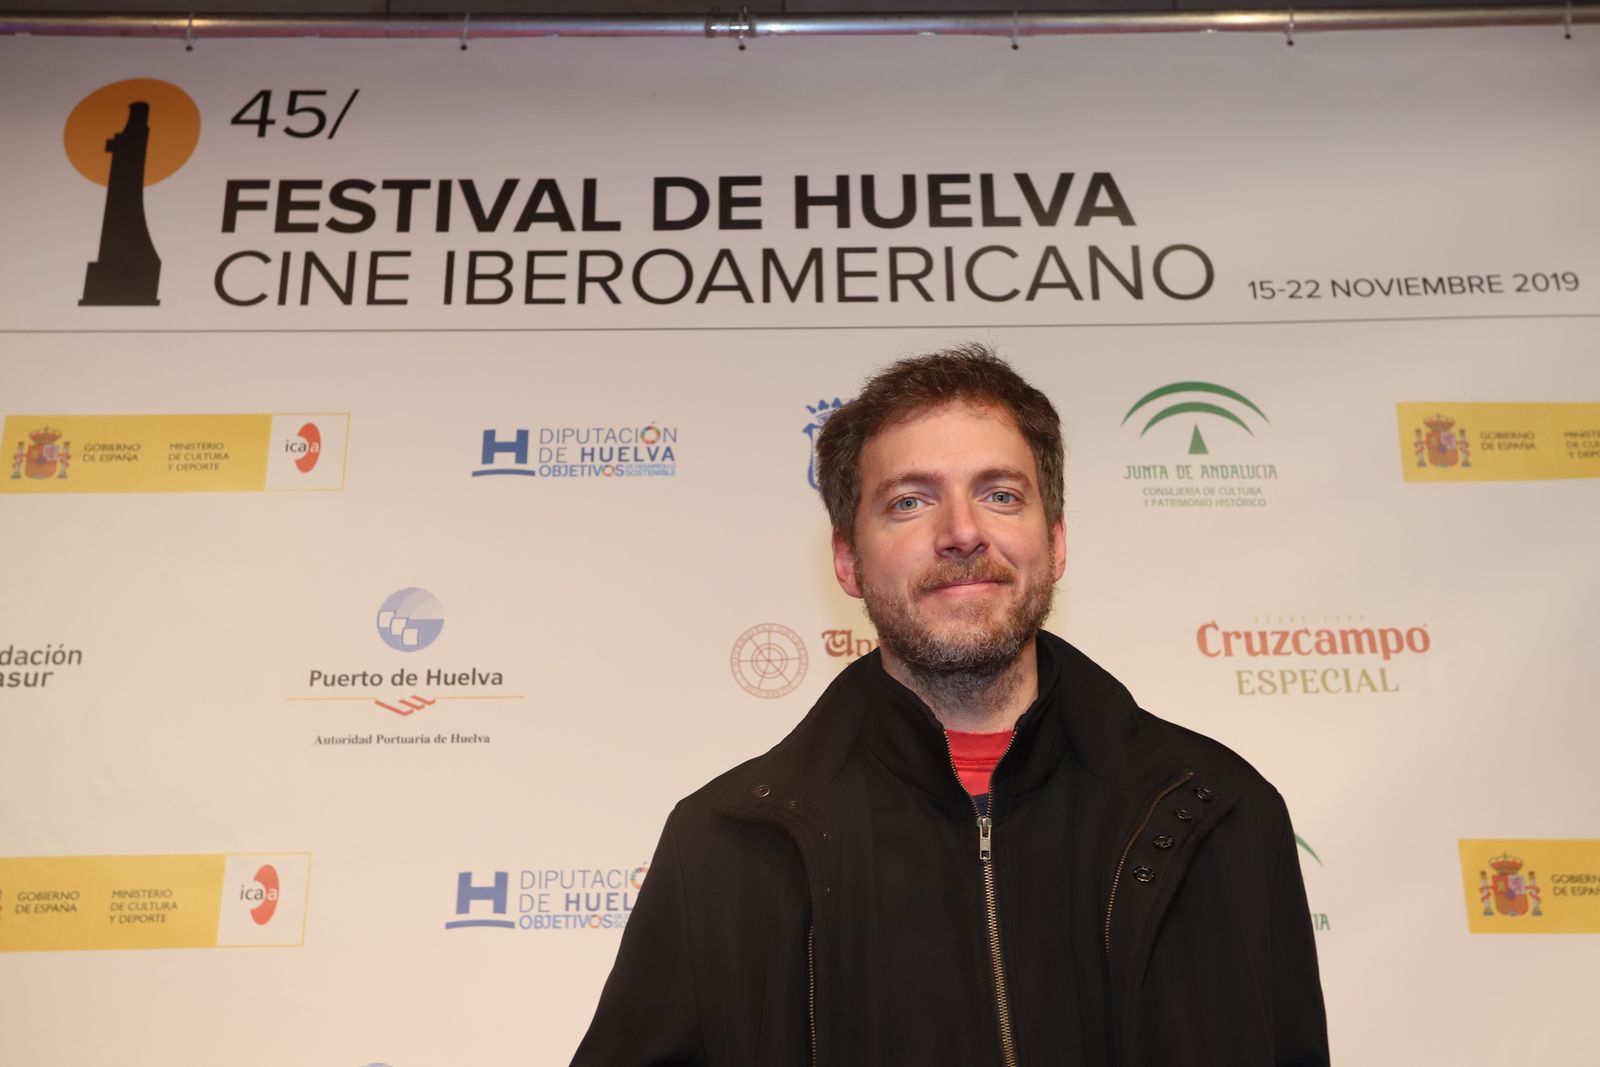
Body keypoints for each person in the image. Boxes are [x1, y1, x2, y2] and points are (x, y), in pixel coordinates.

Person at [572, 344, 1328, 1066]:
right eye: (910, 501)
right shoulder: (730, 846)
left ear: (1055, 541)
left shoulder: (1218, 813)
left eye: (1000, 495)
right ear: (848, 560)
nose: (963, 532)